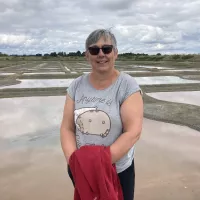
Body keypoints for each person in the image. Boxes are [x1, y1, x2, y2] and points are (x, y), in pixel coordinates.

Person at [60, 28, 144, 200]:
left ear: (115, 53)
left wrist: (99, 164)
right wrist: (74, 161)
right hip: (81, 168)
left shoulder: (127, 85)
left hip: (118, 170)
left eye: (106, 49)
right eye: (94, 50)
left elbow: (133, 132)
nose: (101, 54)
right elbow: (67, 128)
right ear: (87, 55)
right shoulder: (76, 86)